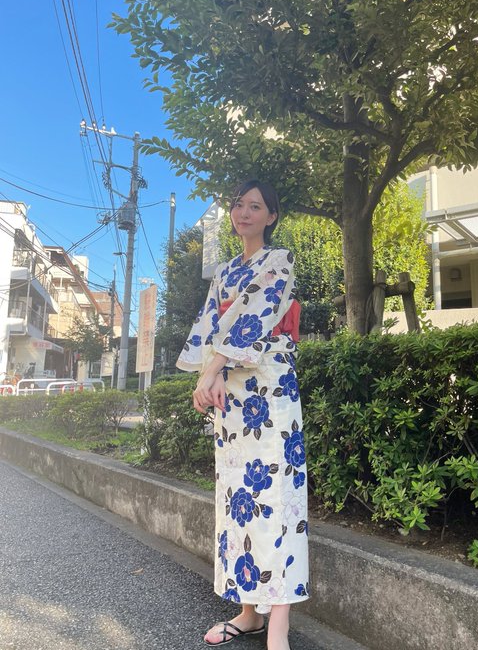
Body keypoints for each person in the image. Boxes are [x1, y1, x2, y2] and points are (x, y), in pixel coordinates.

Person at [176, 179, 309, 649]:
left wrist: (212, 369)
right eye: (238, 204)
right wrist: (208, 377)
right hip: (231, 394)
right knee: (239, 499)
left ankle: (279, 626)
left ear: (271, 216)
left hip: (270, 389)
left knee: (278, 498)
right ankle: (250, 613)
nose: (243, 212)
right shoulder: (224, 272)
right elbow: (211, 325)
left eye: (255, 206)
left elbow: (254, 313)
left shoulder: (280, 260)